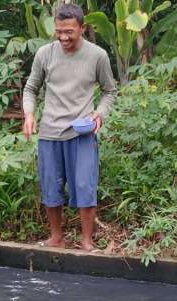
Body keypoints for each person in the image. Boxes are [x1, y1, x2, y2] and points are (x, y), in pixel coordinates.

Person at [22, 3, 117, 251]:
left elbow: (109, 91)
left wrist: (100, 113)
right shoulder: (45, 53)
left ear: (82, 28)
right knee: (50, 186)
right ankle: (56, 238)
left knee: (85, 186)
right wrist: (29, 114)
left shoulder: (98, 56)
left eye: (69, 31)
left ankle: (87, 241)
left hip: (82, 132)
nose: (63, 37)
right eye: (59, 31)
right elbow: (31, 88)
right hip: (50, 132)